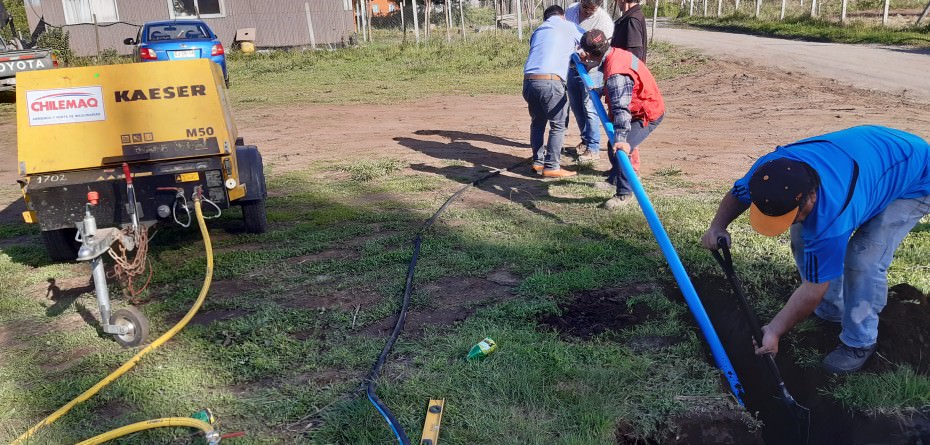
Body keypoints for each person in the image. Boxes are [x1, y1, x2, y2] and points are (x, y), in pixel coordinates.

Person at [701, 125, 930, 374]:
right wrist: (718, 226)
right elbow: (738, 194)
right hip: (873, 154)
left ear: (811, 197)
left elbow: (814, 288)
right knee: (802, 237)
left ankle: (859, 341)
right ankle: (832, 312)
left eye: (789, 215)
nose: (784, 223)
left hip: (914, 175)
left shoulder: (832, 218)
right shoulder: (769, 172)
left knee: (863, 258)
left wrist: (775, 330)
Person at [578, 29, 665, 209]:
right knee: (613, 145)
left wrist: (622, 140)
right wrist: (602, 90)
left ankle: (624, 194)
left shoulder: (616, 75)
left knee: (622, 149)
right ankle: (614, 179)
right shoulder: (616, 54)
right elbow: (624, 87)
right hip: (636, 106)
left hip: (646, 113)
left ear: (590, 53)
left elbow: (621, 111)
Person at [522, 5, 584, 178]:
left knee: (538, 122)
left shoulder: (538, 30)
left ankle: (538, 162)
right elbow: (589, 40)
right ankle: (552, 166)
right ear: (562, 16)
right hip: (550, 82)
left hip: (529, 81)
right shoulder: (568, 26)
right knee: (558, 124)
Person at [564, 0, 614, 162]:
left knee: (590, 106)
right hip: (572, 66)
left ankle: (593, 148)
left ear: (599, 6)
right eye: (584, 7)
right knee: (576, 105)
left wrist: (588, 61)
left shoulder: (604, 22)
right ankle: (586, 140)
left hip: (592, 70)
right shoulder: (571, 11)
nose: (586, 11)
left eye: (591, 10)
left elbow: (603, 53)